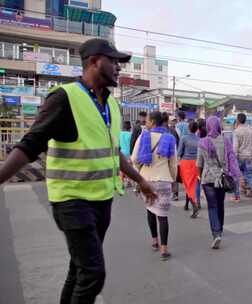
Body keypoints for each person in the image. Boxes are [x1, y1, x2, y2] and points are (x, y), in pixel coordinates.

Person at [0, 38, 157, 303]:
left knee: (79, 270)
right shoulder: (64, 98)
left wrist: (140, 179)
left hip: (101, 200)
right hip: (72, 201)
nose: (120, 68)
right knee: (93, 274)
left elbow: (112, 152)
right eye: (114, 61)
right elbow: (30, 144)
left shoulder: (111, 105)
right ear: (94, 61)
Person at [132, 111, 177, 261]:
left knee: (150, 210)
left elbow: (134, 158)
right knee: (162, 216)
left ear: (152, 121)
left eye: (148, 121)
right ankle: (164, 249)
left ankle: (154, 241)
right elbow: (173, 163)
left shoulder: (144, 136)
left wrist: (139, 171)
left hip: (147, 180)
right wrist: (172, 179)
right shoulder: (170, 138)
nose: (146, 123)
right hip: (164, 180)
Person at [197, 116, 241, 249]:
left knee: (212, 206)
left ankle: (216, 233)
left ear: (207, 126)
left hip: (208, 178)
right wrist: (235, 174)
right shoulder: (225, 140)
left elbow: (199, 163)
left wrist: (200, 177)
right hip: (222, 178)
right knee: (220, 204)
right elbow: (231, 158)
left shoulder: (202, 142)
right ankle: (220, 229)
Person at [233, 113, 252, 204]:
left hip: (240, 157)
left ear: (238, 120)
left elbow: (235, 147)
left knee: (235, 176)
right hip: (249, 157)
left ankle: (237, 196)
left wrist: (233, 159)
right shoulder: (250, 130)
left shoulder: (237, 131)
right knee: (249, 177)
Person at [179, 121, 201, 217]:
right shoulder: (199, 139)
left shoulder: (184, 138)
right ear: (197, 129)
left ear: (188, 128)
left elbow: (179, 152)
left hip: (186, 163)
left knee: (187, 185)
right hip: (196, 163)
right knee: (192, 184)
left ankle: (194, 205)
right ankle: (187, 204)